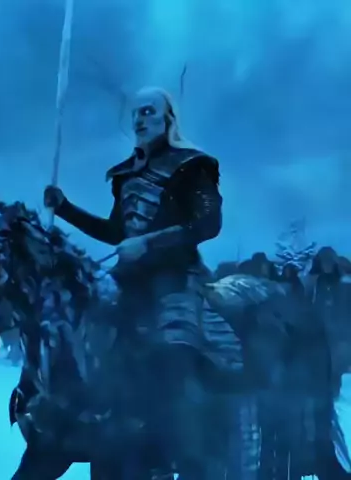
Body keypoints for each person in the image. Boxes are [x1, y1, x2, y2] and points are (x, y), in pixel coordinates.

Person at [43, 87, 250, 477]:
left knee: (175, 363)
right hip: (130, 284)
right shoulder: (126, 174)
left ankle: (184, 452)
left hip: (177, 281)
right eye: (135, 112)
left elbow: (209, 224)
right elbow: (116, 232)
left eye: (148, 111)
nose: (140, 118)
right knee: (90, 349)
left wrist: (150, 243)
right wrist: (65, 208)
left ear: (168, 119)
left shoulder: (192, 165)